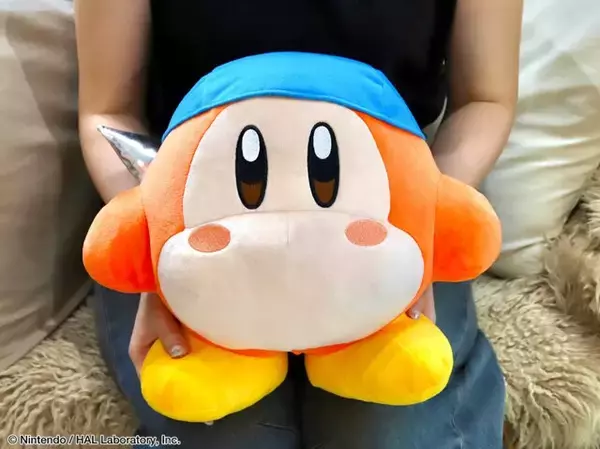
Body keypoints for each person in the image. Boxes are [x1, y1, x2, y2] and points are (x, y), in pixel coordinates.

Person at [74, 0, 522, 448]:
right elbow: (107, 111)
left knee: (391, 429)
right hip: (190, 207)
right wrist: (159, 244)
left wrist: (422, 220)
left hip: (384, 203)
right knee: (225, 428)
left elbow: (485, 100)